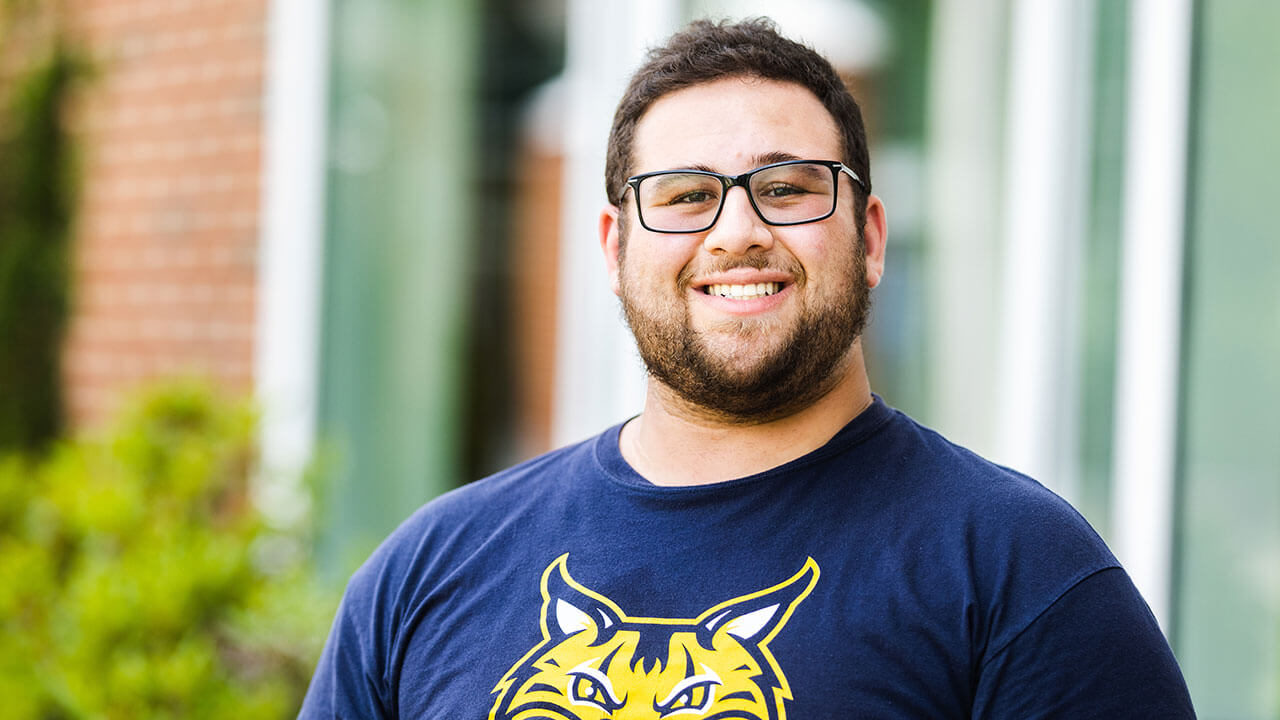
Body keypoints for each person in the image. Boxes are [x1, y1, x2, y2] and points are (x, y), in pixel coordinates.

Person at [299, 18, 1195, 719]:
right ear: (614, 252)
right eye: (685, 196)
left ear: (870, 238)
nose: (736, 233)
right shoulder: (429, 570)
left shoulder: (1016, 572)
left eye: (788, 187)